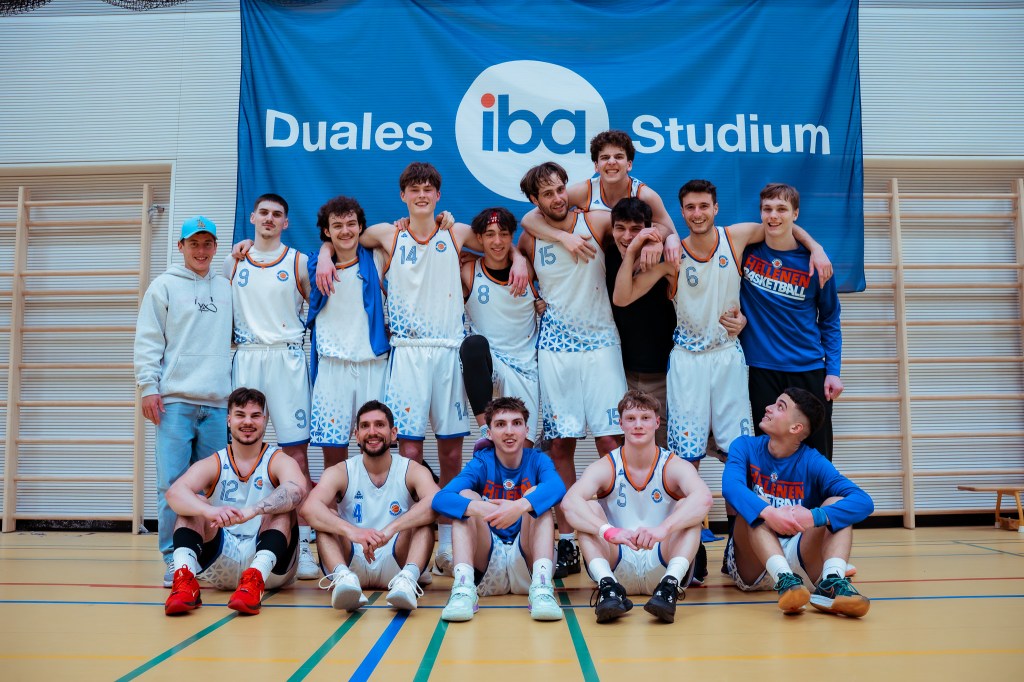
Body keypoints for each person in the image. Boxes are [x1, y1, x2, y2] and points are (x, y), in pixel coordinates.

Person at [315, 162, 529, 573]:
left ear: (438, 195)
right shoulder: (387, 233)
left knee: (450, 451)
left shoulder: (456, 231)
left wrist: (518, 257)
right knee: (410, 451)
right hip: (408, 352)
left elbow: (498, 244)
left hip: (447, 351)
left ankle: (447, 540)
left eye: (428, 189)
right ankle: (410, 539)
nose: (421, 195)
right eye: (414, 189)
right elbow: (342, 238)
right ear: (403, 196)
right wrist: (324, 255)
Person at [614, 179, 830, 465]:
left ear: (716, 208)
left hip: (726, 356)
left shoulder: (735, 237)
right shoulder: (672, 257)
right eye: (690, 207)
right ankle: (688, 496)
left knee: (735, 454)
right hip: (688, 361)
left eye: (704, 206)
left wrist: (815, 247)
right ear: (682, 212)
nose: (697, 213)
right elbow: (622, 298)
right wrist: (634, 250)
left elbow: (781, 225)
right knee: (685, 457)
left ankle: (738, 498)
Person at [516, 161, 632, 579]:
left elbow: (639, 225)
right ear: (535, 200)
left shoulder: (596, 220)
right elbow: (518, 247)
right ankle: (566, 538)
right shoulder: (530, 236)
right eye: (547, 193)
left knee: (611, 442)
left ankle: (620, 531)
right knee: (561, 446)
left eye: (560, 189)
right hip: (555, 348)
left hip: (601, 343)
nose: (557, 198)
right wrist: (520, 261)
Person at [134, 215, 232, 587]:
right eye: (194, 243)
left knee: (213, 485)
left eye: (207, 244)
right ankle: (173, 559)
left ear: (215, 247)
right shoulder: (163, 286)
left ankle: (205, 555)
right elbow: (148, 339)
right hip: (174, 402)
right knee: (172, 484)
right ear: (181, 246)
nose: (201, 251)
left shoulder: (226, 286)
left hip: (217, 402)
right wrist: (148, 387)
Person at [225, 193, 318, 579]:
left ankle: (305, 543)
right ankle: (242, 536)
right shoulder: (234, 261)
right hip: (247, 355)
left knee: (296, 454)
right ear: (252, 217)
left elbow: (319, 308)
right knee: (242, 450)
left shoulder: (298, 261)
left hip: (287, 357)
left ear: (285, 223)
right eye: (263, 212)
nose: (269, 218)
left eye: (276, 214)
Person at [561, 390, 713, 624]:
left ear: (657, 422)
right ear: (620, 423)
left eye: (645, 418)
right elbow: (569, 503)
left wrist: (663, 529)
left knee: (688, 508)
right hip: (617, 561)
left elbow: (704, 499)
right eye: (631, 419)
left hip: (662, 560)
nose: (638, 425)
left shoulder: (673, 464)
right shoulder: (607, 465)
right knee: (588, 510)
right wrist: (609, 531)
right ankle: (607, 587)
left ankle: (669, 587)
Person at [721, 388, 872, 617]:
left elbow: (863, 501)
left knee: (837, 505)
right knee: (754, 504)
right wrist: (770, 513)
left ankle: (831, 581)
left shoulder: (813, 461)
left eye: (780, 407)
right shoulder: (744, 446)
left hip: (800, 554)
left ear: (795, 428)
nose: (768, 408)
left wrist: (812, 516)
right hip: (755, 563)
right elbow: (730, 487)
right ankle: (785, 580)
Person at [163, 387, 309, 616]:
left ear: (265, 420)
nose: (247, 422)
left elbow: (297, 490)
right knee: (193, 504)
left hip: (270, 568)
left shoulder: (278, 460)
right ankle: (184, 581)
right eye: (240, 415)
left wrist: (254, 510)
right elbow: (174, 493)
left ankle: (254, 580)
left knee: (281, 507)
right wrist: (208, 511)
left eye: (255, 415)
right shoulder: (215, 462)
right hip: (223, 560)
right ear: (229, 420)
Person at [432, 397, 565, 622]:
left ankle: (543, 588)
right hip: (488, 563)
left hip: (527, 561)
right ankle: (463, 589)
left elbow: (558, 487)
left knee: (537, 495)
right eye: (501, 424)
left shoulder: (537, 459)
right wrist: (480, 507)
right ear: (489, 433)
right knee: (465, 499)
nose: (509, 431)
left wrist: (518, 506)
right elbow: (440, 499)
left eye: (516, 423)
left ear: (526, 430)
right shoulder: (481, 462)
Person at [302, 400, 439, 612]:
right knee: (325, 516)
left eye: (379, 425)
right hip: (352, 560)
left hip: (397, 559)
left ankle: (408, 580)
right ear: (356, 435)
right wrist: (353, 532)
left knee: (422, 516)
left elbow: (437, 502)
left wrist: (390, 530)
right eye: (365, 426)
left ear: (393, 433)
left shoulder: (412, 469)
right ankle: (343, 579)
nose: (372, 432)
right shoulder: (341, 471)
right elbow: (309, 508)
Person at [740, 183, 842, 460]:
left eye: (781, 209)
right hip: (762, 369)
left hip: (808, 368)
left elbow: (830, 318)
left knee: (817, 454)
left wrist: (833, 370)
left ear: (795, 214)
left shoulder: (817, 264)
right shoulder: (745, 253)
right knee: (769, 452)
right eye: (767, 209)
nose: (773, 216)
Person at [304, 196, 389, 469]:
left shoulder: (378, 258)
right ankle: (334, 497)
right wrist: (324, 254)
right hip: (333, 366)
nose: (345, 231)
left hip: (372, 364)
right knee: (333, 454)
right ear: (326, 231)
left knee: (377, 447)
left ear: (361, 227)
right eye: (337, 225)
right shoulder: (314, 265)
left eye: (351, 224)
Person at [460, 207, 543, 448]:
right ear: (479, 238)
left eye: (504, 234)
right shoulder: (468, 270)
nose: (497, 241)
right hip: (490, 362)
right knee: (473, 345)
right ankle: (485, 432)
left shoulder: (530, 268)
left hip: (525, 366)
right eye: (490, 234)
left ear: (512, 236)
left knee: (521, 448)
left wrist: (519, 258)